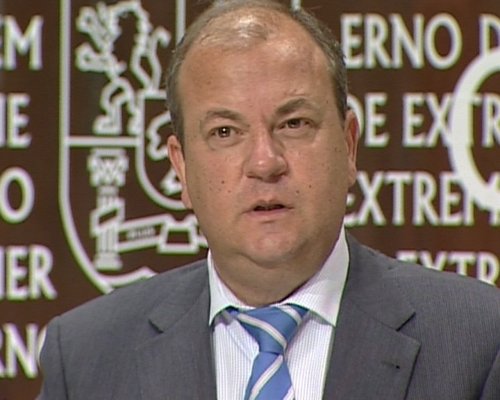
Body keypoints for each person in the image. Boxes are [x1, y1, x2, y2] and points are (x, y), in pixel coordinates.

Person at [38, 1, 500, 399]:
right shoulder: (86, 357)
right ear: (181, 167)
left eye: (294, 124)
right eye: (225, 132)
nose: (265, 162)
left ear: (348, 145)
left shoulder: (477, 341)